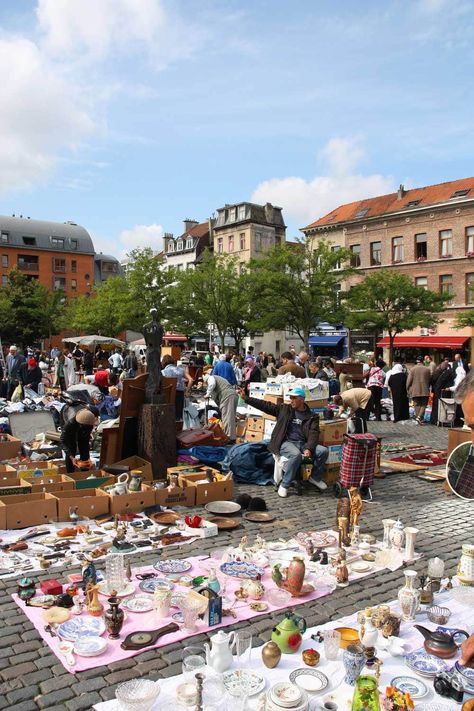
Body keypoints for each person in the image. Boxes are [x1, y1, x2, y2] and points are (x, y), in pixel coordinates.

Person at [239, 385, 328, 497]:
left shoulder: (312, 416)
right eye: (291, 398)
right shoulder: (285, 409)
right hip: (286, 442)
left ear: (302, 399)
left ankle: (314, 477)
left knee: (323, 451)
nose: (292, 400)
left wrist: (308, 448)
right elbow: (266, 406)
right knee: (296, 455)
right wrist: (246, 398)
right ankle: (285, 484)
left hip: (303, 444)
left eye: (294, 398)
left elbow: (314, 433)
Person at [60, 407, 99, 474]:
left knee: (85, 451)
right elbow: (63, 441)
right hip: (71, 435)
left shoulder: (89, 422)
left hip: (83, 435)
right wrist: (71, 457)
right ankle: (70, 474)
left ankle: (84, 473)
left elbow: (85, 440)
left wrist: (86, 457)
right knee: (71, 449)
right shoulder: (69, 424)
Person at [203, 373, 238, 441]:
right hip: (231, 395)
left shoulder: (211, 378)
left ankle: (229, 438)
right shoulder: (217, 381)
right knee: (229, 418)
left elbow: (212, 384)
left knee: (227, 418)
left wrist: (207, 394)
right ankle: (230, 437)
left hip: (227, 396)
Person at [161, 354, 192, 419]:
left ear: (163, 363)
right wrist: (186, 391)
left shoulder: (163, 372)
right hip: (180, 394)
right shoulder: (180, 370)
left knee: (168, 415)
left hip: (168, 394)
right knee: (178, 415)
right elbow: (191, 380)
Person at [406, 356, 431, 425]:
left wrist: (407, 388)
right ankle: (419, 418)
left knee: (416, 404)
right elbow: (429, 380)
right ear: (423, 361)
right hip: (425, 389)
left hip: (415, 389)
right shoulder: (427, 369)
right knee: (424, 404)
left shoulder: (413, 369)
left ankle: (418, 417)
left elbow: (409, 381)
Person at [430, 361, 455, 425]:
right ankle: (444, 420)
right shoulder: (449, 373)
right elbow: (451, 382)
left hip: (437, 391)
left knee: (436, 406)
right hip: (445, 392)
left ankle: (435, 420)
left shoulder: (437, 372)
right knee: (445, 406)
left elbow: (432, 380)